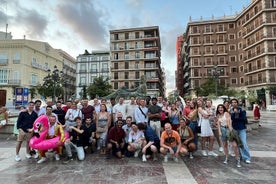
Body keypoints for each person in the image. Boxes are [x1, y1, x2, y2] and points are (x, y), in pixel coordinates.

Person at [230, 98, 251, 164]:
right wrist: (234, 114)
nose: (234, 103)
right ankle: (241, 156)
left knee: (243, 143)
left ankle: (247, 157)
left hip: (241, 128)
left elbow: (243, 118)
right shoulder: (231, 111)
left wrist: (237, 114)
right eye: (232, 102)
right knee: (237, 143)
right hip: (234, 129)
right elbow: (231, 119)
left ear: (237, 103)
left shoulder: (242, 109)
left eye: (235, 102)